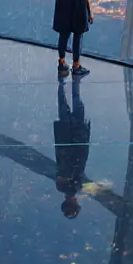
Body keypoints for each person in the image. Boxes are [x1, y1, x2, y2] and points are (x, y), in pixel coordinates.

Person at [54, 76, 90, 219]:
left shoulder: (76, 186)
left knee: (77, 107)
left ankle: (74, 83)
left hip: (76, 140)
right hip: (65, 142)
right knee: (64, 108)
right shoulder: (60, 186)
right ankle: (62, 85)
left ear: (74, 203)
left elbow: (79, 162)